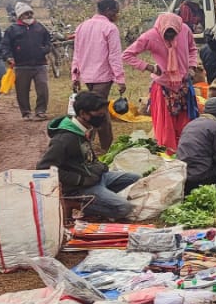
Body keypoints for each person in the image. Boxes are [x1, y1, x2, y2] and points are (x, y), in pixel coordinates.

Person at [38, 91, 140, 221]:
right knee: (123, 208)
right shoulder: (64, 139)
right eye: (100, 114)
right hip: (81, 187)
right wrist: (79, 180)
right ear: (83, 114)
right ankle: (76, 204)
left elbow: (87, 157)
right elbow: (44, 167)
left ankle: (103, 197)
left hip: (96, 178)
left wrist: (99, 167)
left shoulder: (82, 129)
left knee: (136, 179)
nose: (103, 117)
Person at [123, 13, 199, 153]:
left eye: (173, 34)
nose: (170, 37)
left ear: (178, 29)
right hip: (163, 86)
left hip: (183, 85)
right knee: (166, 128)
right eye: (167, 34)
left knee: (186, 124)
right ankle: (168, 155)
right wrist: (149, 67)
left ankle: (187, 153)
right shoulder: (150, 36)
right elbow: (127, 55)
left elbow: (192, 49)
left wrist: (192, 67)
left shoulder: (185, 30)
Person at [72, 0, 126, 151]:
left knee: (93, 110)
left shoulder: (81, 26)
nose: (117, 15)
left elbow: (77, 53)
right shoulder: (110, 28)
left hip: (87, 76)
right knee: (99, 113)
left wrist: (75, 76)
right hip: (102, 76)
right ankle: (105, 148)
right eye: (115, 12)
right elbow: (114, 56)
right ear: (108, 10)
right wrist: (120, 79)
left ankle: (88, 144)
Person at [2, 2, 52, 121]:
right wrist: (8, 57)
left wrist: (44, 50)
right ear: (20, 16)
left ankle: (40, 111)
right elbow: (5, 46)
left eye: (30, 13)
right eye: (26, 13)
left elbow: (48, 42)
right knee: (22, 90)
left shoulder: (40, 27)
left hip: (40, 64)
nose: (29, 15)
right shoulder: (12, 29)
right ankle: (26, 113)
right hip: (21, 65)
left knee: (43, 89)